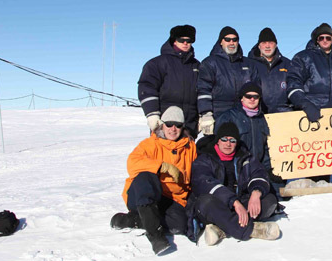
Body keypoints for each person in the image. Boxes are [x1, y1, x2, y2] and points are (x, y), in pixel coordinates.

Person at [110, 106, 197, 255]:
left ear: (183, 127)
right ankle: (155, 236)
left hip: (172, 198)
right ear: (162, 124)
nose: (173, 129)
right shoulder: (150, 144)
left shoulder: (190, 147)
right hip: (142, 195)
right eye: (169, 124)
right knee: (146, 176)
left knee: (180, 225)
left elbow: (195, 174)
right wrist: (162, 167)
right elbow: (132, 163)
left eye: (178, 125)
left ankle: (131, 221)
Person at [190, 122, 280, 244]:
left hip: (241, 202)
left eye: (232, 140)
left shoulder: (244, 156)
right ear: (218, 140)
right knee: (206, 202)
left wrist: (256, 192)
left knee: (269, 200)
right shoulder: (205, 158)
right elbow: (205, 183)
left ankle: (222, 228)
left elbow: (259, 173)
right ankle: (254, 230)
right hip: (218, 204)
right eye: (224, 139)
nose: (228, 143)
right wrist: (234, 202)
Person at [286, 23, 332, 182]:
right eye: (321, 37)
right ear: (316, 40)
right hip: (314, 115)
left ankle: (327, 187)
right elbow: (293, 83)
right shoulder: (304, 57)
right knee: (315, 157)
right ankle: (312, 190)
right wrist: (305, 104)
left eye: (328, 37)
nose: (324, 40)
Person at [138, 25, 200, 137]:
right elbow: (147, 87)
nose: (185, 43)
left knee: (187, 153)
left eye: (189, 40)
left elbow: (202, 91)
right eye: (181, 40)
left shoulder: (197, 66)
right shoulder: (157, 63)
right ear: (174, 41)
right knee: (162, 153)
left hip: (189, 124)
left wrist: (202, 116)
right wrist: (152, 114)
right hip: (166, 124)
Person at [197, 26, 260, 136]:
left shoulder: (248, 64)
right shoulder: (210, 63)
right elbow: (203, 89)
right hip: (219, 113)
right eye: (227, 39)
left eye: (234, 40)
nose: (231, 42)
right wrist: (205, 113)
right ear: (221, 42)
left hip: (243, 113)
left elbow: (256, 88)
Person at [214, 82, 273, 181]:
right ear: (242, 98)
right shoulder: (228, 117)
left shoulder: (262, 119)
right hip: (236, 170)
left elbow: (266, 147)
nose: (252, 99)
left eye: (256, 96)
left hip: (257, 169)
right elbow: (218, 145)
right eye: (248, 96)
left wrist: (268, 169)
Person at [247, 27, 292, 113]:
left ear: (276, 45)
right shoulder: (249, 64)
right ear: (259, 46)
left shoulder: (287, 64)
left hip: (283, 113)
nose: (267, 46)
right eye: (264, 43)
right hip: (258, 113)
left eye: (271, 43)